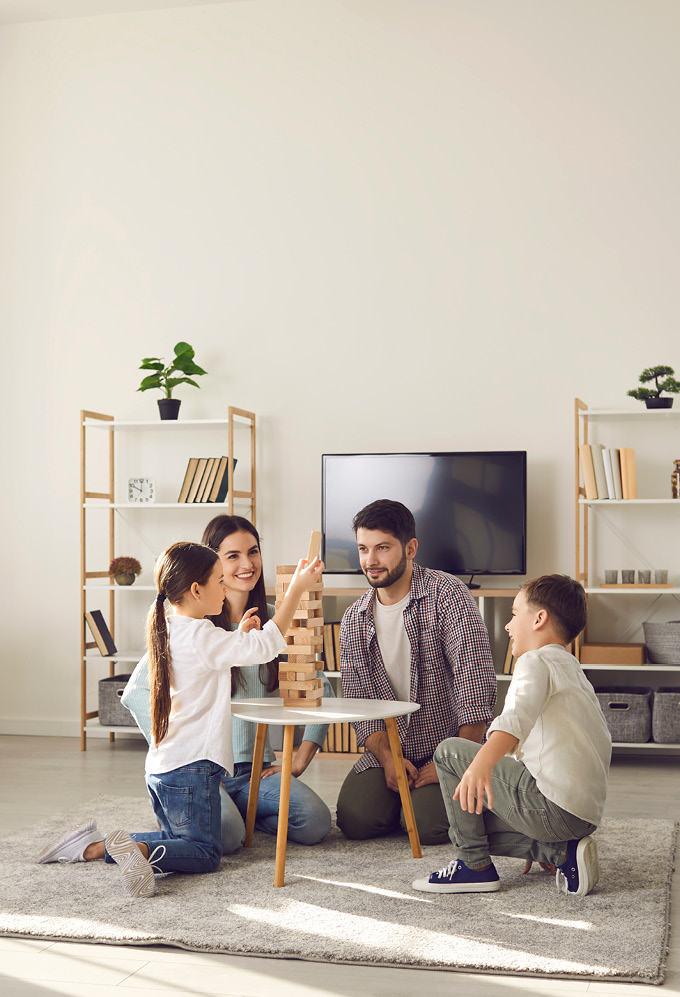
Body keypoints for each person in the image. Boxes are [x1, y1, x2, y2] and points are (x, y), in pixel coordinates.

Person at [37, 541, 325, 899]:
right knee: (206, 853)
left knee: (182, 841)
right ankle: (124, 850)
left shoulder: (170, 630)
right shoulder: (204, 635)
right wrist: (296, 589)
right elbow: (268, 646)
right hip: (193, 771)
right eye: (220, 580)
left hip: (162, 769)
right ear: (195, 590)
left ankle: (98, 846)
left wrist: (238, 637)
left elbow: (208, 661)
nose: (225, 588)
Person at [121, 515, 333, 851]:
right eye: (232, 556)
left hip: (256, 772)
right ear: (206, 570)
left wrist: (300, 758)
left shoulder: (273, 617)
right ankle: (212, 816)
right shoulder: (194, 629)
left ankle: (241, 815)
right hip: (204, 770)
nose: (247, 564)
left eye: (253, 552)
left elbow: (319, 682)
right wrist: (179, 756)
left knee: (315, 821)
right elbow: (135, 693)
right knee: (228, 837)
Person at [412, 574, 612, 897]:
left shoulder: (535, 661)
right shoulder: (572, 668)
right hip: (582, 816)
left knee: (449, 752)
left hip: (553, 807)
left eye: (514, 614)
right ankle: (561, 853)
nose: (507, 626)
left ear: (539, 619)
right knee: (468, 821)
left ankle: (472, 866)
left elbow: (513, 720)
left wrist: (479, 763)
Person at [337, 499, 497, 846]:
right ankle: (403, 799)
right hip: (392, 749)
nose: (370, 561)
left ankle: (466, 793)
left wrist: (455, 762)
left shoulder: (449, 595)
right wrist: (389, 759)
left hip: (450, 745)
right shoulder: (353, 619)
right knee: (354, 819)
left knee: (428, 827)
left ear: (410, 548)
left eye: (382, 548)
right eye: (364, 549)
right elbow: (360, 706)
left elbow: (476, 685)